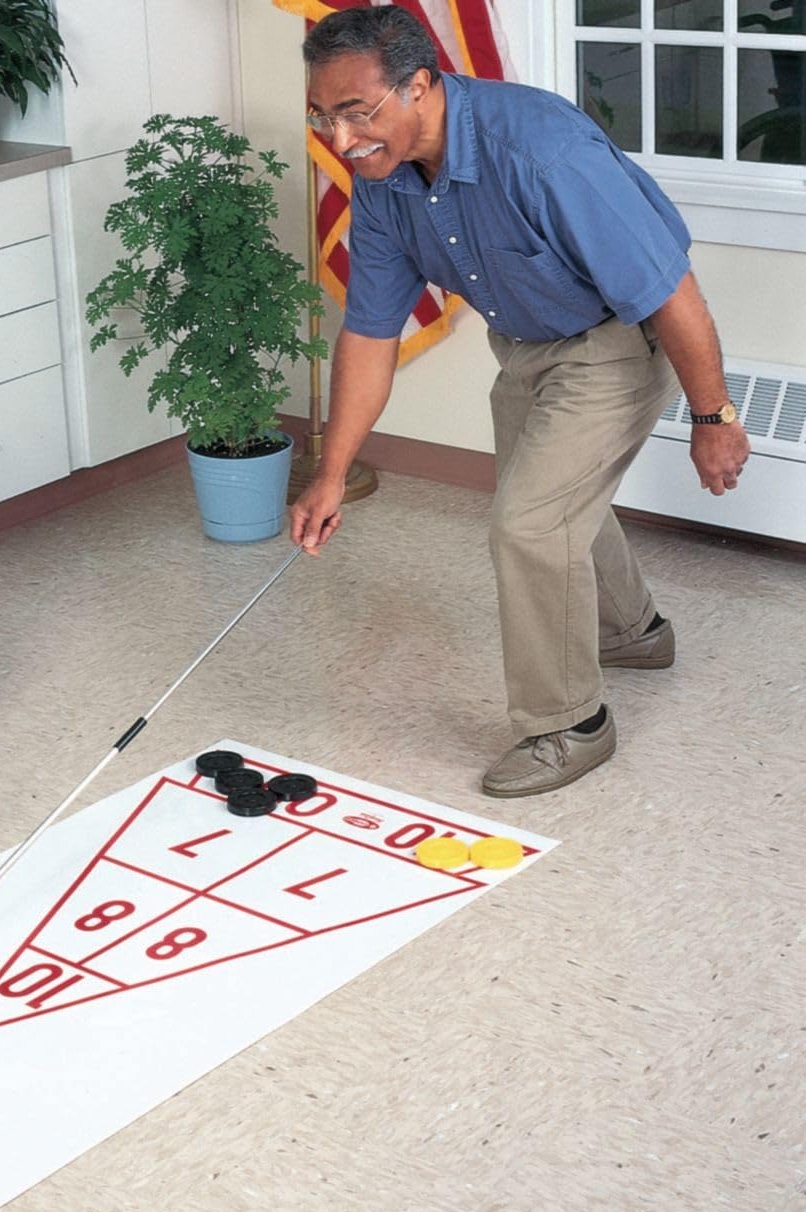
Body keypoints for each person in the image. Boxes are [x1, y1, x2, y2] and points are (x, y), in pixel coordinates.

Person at [289, 7, 751, 798]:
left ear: (421, 86)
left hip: (618, 341)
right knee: (549, 499)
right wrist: (332, 471)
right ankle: (632, 633)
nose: (340, 138)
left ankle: (569, 725)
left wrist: (714, 419)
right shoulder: (382, 180)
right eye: (322, 116)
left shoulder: (541, 150)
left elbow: (670, 287)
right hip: (529, 345)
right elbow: (368, 333)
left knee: (530, 522)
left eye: (357, 112)